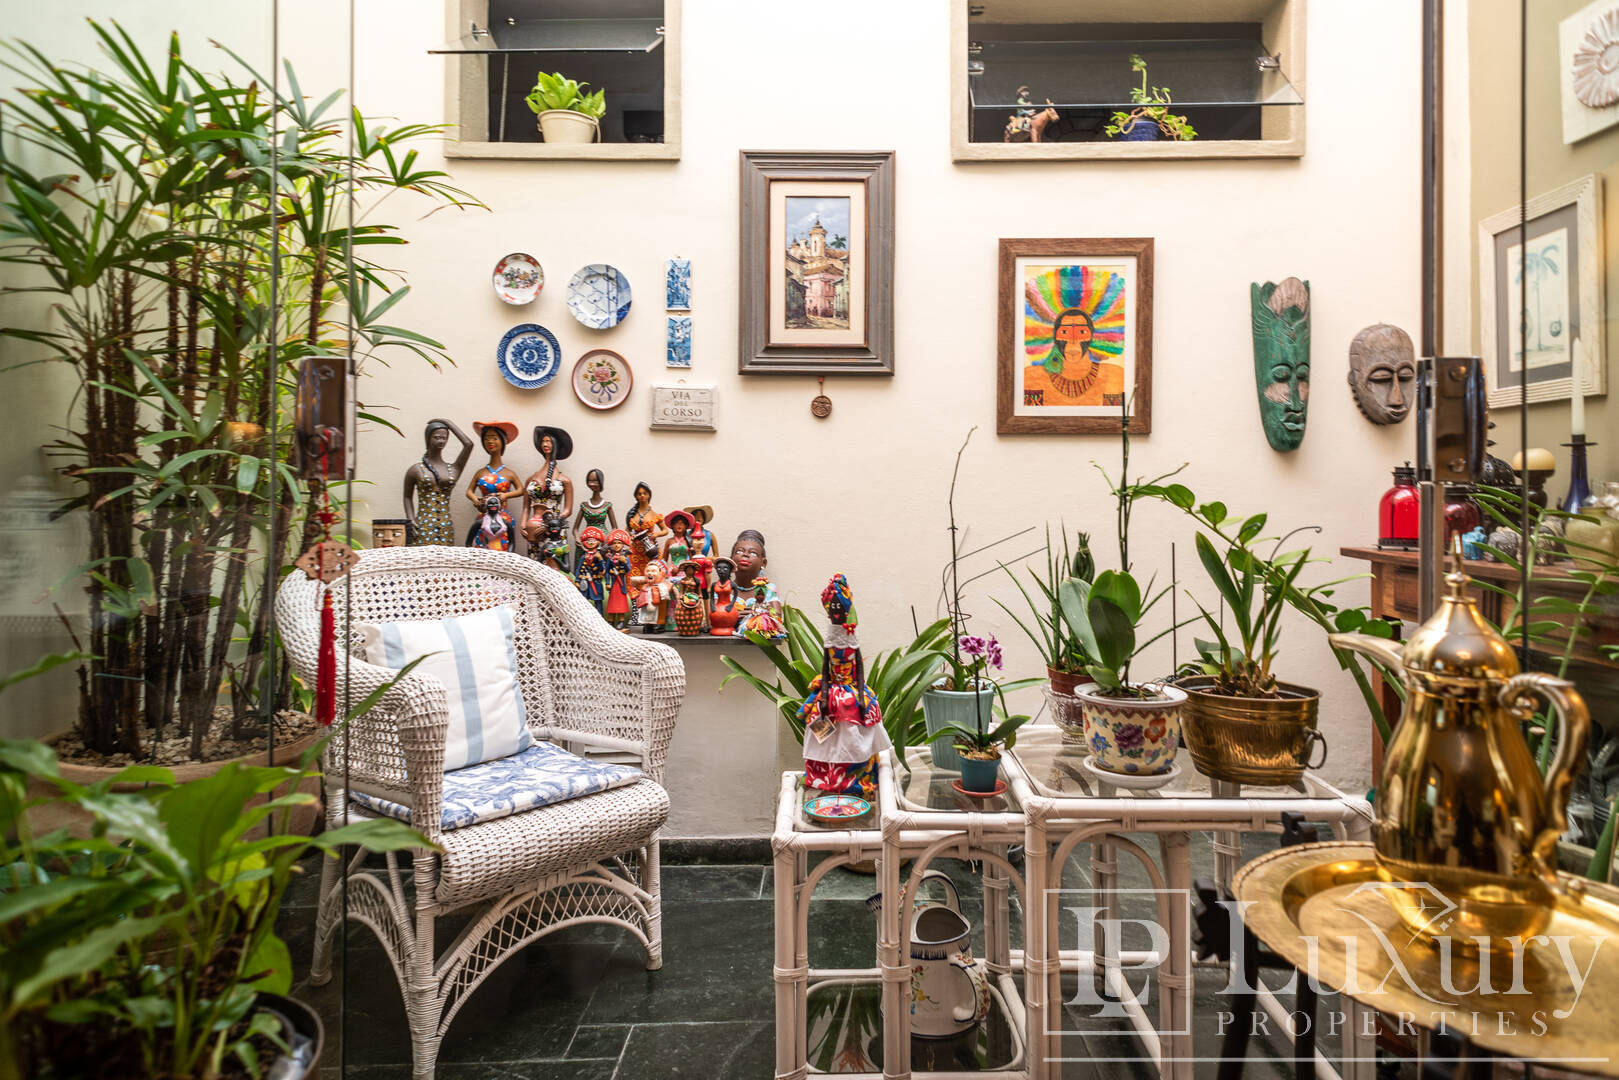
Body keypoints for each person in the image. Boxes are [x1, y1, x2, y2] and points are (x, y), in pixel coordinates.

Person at [798, 575, 890, 797]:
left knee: (854, 721)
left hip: (851, 688)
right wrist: (824, 693)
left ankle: (857, 774)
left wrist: (861, 692)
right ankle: (824, 776)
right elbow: (825, 669)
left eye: (840, 606)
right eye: (833, 606)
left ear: (847, 609)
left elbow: (860, 667)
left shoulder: (852, 637)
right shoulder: (830, 640)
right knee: (822, 723)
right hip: (832, 689)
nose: (836, 610)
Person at [1021, 308, 1125, 408]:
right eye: (1064, 332)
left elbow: (1113, 416)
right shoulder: (1031, 377)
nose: (1073, 341)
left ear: (1092, 336)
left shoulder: (1113, 375)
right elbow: (1030, 415)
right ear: (1055, 337)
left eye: (1082, 332)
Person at [402, 419, 472, 546]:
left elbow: (468, 444)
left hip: (445, 527)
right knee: (422, 557)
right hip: (422, 526)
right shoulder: (416, 470)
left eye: (444, 438)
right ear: (428, 438)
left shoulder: (453, 469)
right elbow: (407, 497)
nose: (441, 441)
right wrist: (410, 520)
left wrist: (448, 423)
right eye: (436, 437)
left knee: (445, 557)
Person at [464, 421, 522, 550]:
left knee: (504, 549)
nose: (490, 441)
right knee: (483, 550)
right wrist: (475, 499)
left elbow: (521, 490)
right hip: (483, 518)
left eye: (494, 438)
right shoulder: (480, 473)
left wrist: (506, 495)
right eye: (486, 438)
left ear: (502, 441)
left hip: (503, 518)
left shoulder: (509, 473)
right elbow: (469, 491)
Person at [522, 426, 574, 556]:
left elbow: (568, 510)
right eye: (543, 441)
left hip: (555, 529)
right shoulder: (530, 479)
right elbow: (526, 507)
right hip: (534, 529)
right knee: (534, 561)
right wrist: (523, 524)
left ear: (555, 445)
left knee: (554, 561)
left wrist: (551, 523)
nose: (545, 444)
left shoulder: (565, 480)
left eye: (549, 441)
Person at [573, 468, 617, 565]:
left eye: (595, 481)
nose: (592, 484)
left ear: (601, 481)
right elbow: (575, 528)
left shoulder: (607, 505)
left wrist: (607, 538)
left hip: (603, 541)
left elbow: (615, 527)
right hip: (587, 539)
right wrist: (577, 538)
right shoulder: (584, 505)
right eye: (590, 481)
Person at [625, 481, 667, 579]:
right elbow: (627, 530)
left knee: (652, 573)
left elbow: (665, 530)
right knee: (632, 574)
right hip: (635, 551)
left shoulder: (654, 514)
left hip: (650, 549)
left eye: (645, 493)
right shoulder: (632, 514)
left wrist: (656, 534)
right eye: (639, 494)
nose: (642, 496)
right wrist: (630, 536)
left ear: (649, 495)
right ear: (636, 496)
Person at [603, 529, 634, 627]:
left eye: (619, 543)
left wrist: (624, 562)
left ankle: (621, 621)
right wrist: (607, 583)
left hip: (621, 584)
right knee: (612, 603)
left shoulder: (625, 558)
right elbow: (607, 571)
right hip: (613, 584)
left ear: (623, 545)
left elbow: (628, 570)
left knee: (621, 603)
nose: (616, 545)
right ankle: (611, 621)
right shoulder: (610, 559)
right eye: (614, 543)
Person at [574, 525, 608, 613]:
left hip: (596, 582)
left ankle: (600, 616)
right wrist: (577, 580)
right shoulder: (583, 557)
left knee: (598, 601)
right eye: (589, 541)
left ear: (598, 542)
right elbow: (579, 569)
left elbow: (602, 570)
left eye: (593, 541)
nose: (591, 543)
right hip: (585, 582)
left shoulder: (599, 556)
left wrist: (600, 559)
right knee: (584, 601)